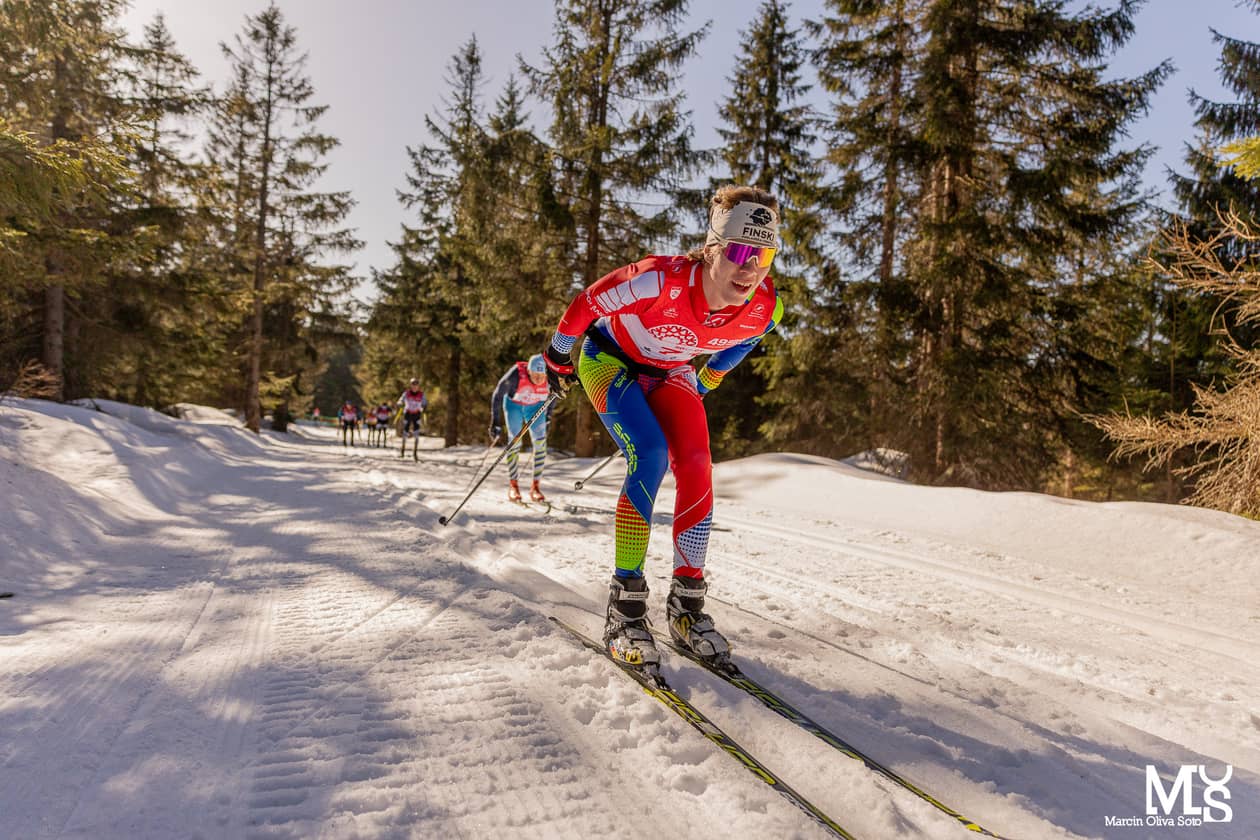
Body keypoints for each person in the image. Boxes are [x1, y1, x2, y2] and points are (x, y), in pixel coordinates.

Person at [543, 185, 783, 670]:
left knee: (696, 465)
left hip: (671, 371)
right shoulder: (659, 279)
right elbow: (588, 302)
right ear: (713, 248)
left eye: (764, 256)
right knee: (650, 455)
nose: (749, 268)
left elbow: (755, 334)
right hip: (610, 359)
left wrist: (712, 372)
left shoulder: (763, 305)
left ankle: (686, 606)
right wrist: (557, 354)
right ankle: (625, 605)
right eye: (739, 251)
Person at [489, 354, 552, 503]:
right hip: (515, 405)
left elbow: (553, 399)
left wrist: (548, 418)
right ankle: (513, 485)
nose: (539, 379)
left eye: (542, 376)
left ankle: (535, 487)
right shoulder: (515, 376)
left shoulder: (551, 378)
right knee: (515, 442)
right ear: (528, 371)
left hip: (536, 406)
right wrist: (495, 421)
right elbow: (497, 395)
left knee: (541, 444)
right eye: (535, 375)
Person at [397, 378, 428, 460]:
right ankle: (402, 450)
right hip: (408, 413)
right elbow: (400, 400)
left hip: (417, 414)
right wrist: (400, 403)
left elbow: (425, 402)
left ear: (418, 386)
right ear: (410, 385)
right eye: (413, 385)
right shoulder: (406, 393)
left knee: (417, 434)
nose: (414, 387)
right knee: (405, 432)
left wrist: (424, 406)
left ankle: (415, 453)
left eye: (416, 385)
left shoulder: (421, 394)